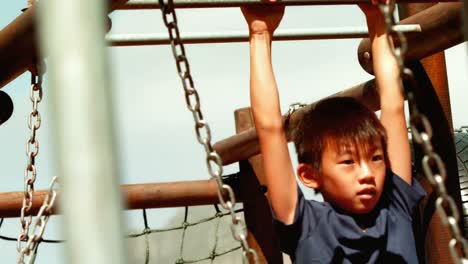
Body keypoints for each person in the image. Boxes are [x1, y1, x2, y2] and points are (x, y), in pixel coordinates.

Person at [241, 2, 425, 263]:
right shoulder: (305, 223)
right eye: (348, 162)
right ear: (309, 174)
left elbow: (393, 105)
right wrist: (260, 33)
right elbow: (270, 129)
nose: (366, 174)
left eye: (376, 159)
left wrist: (377, 17)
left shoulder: (395, 208)